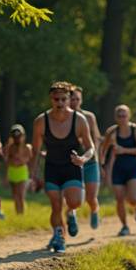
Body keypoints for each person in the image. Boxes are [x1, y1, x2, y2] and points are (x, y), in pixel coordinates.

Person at [30, 81, 95, 253]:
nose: (59, 103)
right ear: (51, 99)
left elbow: (90, 147)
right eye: (56, 99)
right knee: (55, 204)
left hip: (71, 166)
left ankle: (71, 213)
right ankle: (59, 236)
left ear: (69, 99)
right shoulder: (41, 121)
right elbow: (35, 151)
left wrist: (83, 159)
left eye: (63, 99)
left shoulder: (79, 120)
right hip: (52, 167)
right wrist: (33, 175)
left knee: (74, 202)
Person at [101, 104, 136, 236]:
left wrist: (124, 150)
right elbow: (103, 149)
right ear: (116, 117)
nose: (122, 118)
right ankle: (125, 226)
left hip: (133, 168)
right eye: (119, 116)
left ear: (129, 116)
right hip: (118, 168)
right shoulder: (112, 131)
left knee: (132, 198)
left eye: (124, 115)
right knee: (119, 198)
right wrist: (102, 164)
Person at [69, 85, 102, 229]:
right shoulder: (64, 118)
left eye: (77, 99)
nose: (74, 102)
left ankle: (95, 211)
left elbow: (96, 140)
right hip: (72, 161)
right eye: (72, 99)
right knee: (73, 196)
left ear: (81, 100)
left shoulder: (89, 117)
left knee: (90, 197)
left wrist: (99, 161)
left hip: (90, 161)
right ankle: (71, 215)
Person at [3, 124, 33, 214]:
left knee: (21, 194)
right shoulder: (10, 147)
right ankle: (18, 213)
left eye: (19, 136)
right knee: (15, 195)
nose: (17, 139)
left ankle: (22, 213)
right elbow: (7, 161)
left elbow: (30, 160)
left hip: (22, 171)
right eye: (15, 137)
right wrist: (6, 176)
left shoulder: (27, 147)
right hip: (12, 171)